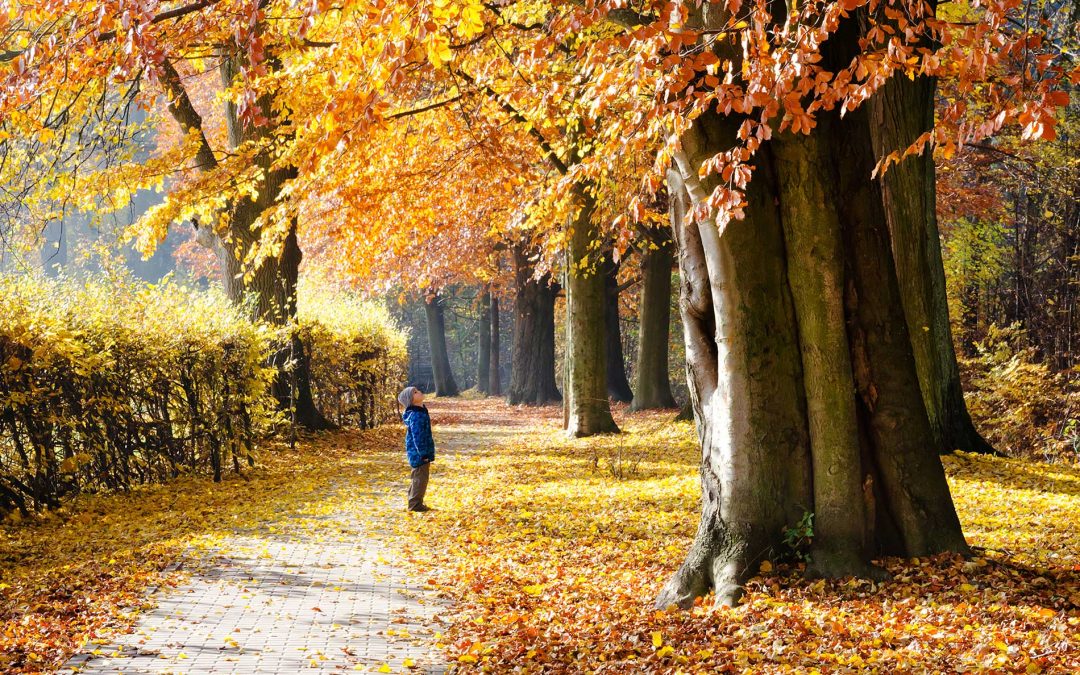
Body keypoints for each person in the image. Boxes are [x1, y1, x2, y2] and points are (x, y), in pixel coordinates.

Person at [397, 386, 434, 512]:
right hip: (418, 453)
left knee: (418, 477)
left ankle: (414, 501)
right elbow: (418, 436)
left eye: (417, 390)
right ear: (411, 400)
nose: (419, 392)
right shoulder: (416, 415)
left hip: (421, 451)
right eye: (415, 392)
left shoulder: (420, 411)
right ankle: (415, 505)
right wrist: (423, 453)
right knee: (420, 478)